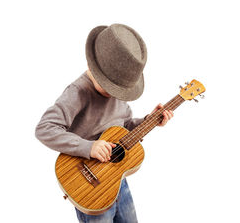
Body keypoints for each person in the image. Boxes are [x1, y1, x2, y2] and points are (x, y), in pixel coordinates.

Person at [35, 23, 174, 223]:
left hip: (117, 179)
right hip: (89, 184)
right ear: (94, 67)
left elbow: (122, 129)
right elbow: (44, 128)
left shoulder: (117, 89)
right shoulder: (78, 92)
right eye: (111, 87)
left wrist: (148, 121)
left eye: (119, 90)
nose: (116, 95)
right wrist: (89, 147)